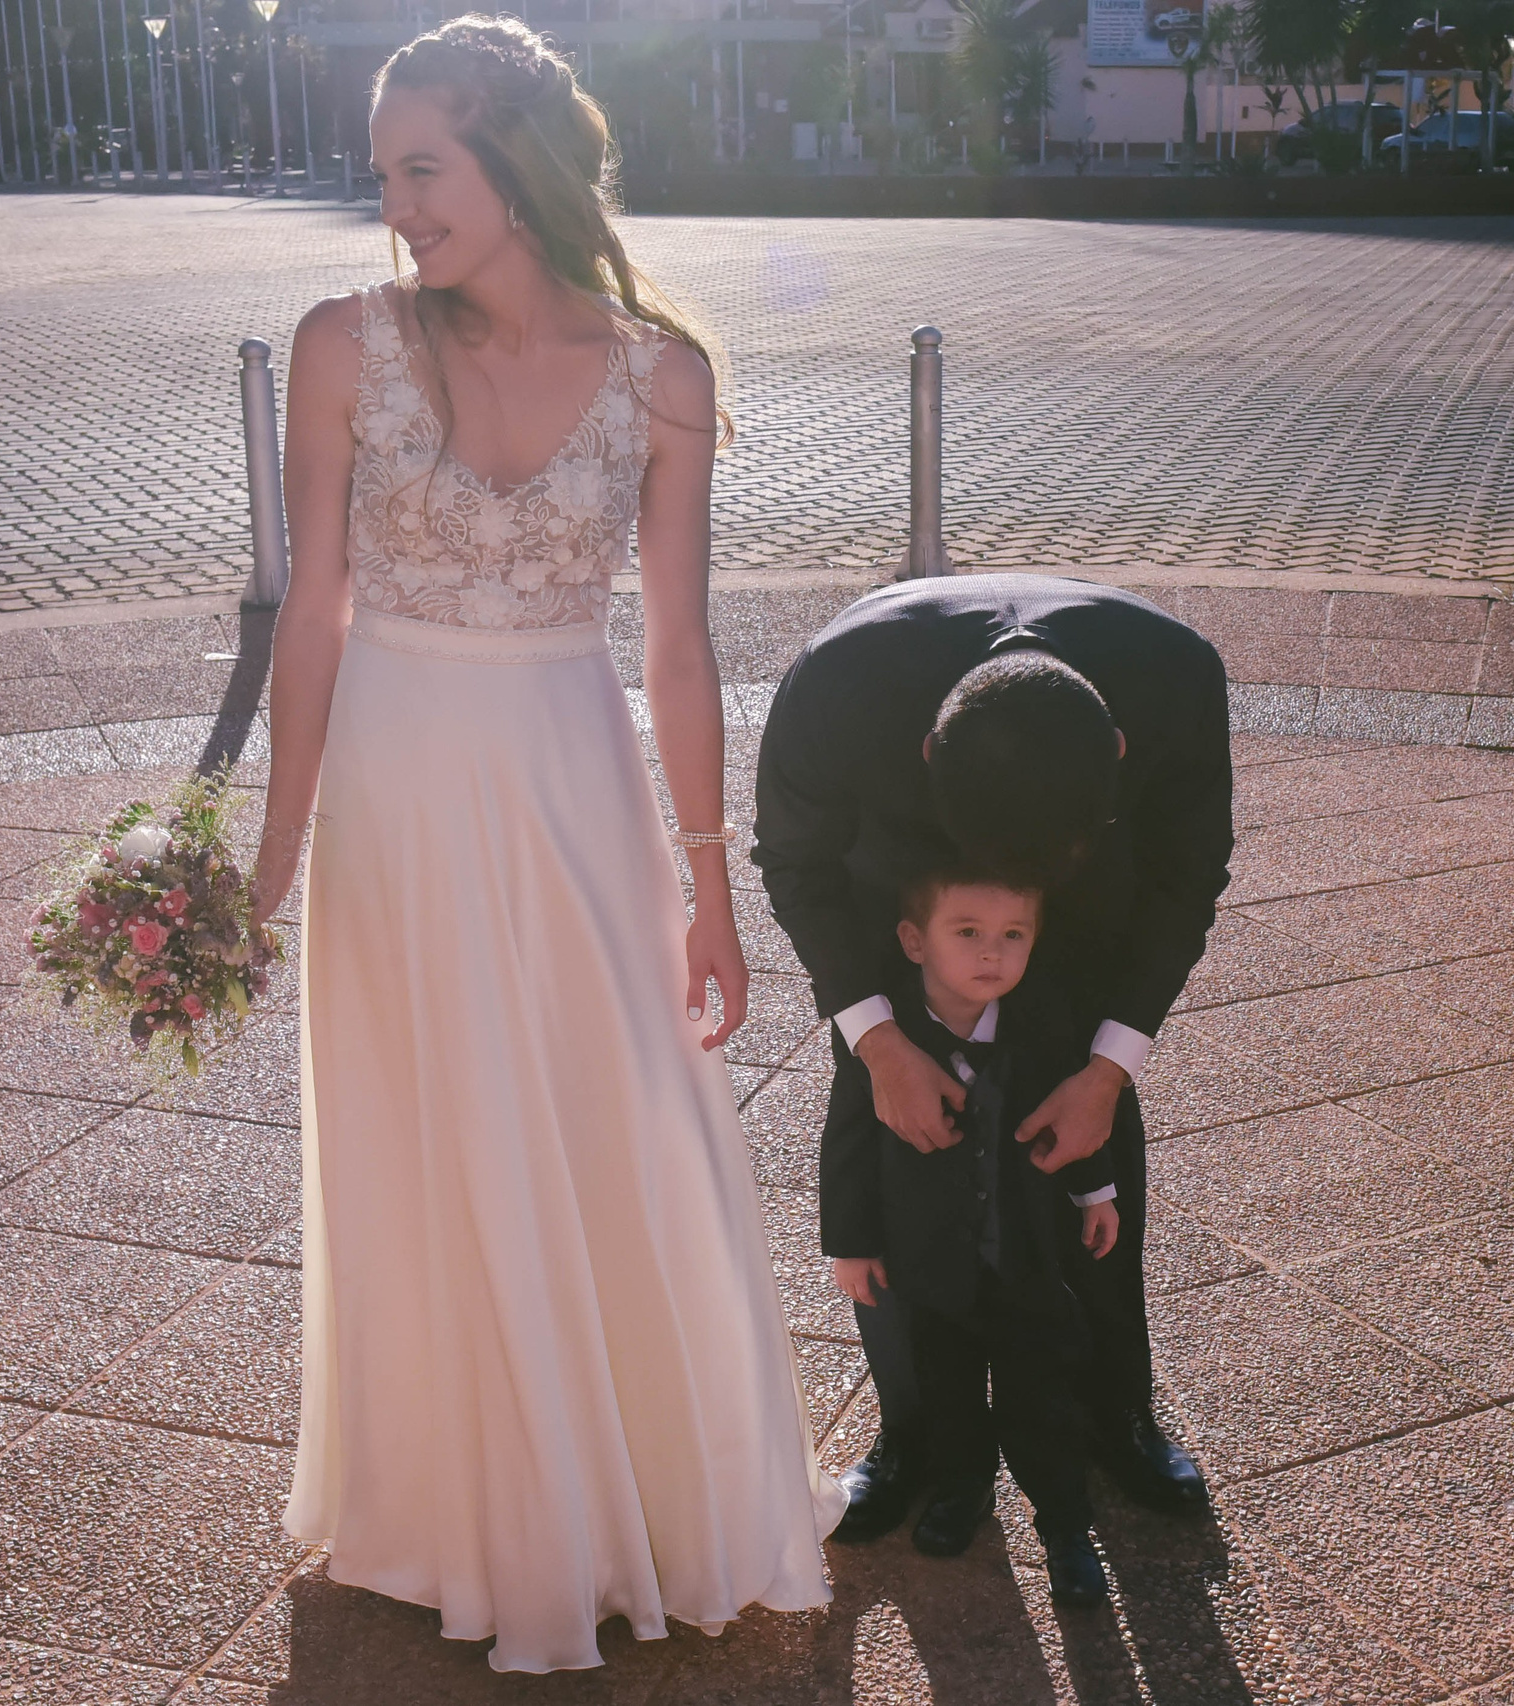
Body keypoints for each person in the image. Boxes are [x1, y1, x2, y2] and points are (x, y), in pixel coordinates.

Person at [246, 18, 840, 1675]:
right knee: (426, 1127)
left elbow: (677, 652)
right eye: (383, 175)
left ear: (514, 158)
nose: (395, 207)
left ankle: (630, 1491)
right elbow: (315, 609)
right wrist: (272, 861)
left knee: (609, 1106)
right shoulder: (339, 345)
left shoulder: (666, 376)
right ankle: (451, 1517)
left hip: (577, 779)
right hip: (399, 781)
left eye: (422, 168)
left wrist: (714, 887)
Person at [755, 574, 1235, 1540]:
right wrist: (880, 1041)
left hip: (1098, 901)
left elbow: (1189, 877)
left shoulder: (1177, 680)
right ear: (928, 753)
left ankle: (1115, 1412)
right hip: (901, 904)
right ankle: (916, 1433)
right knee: (891, 1142)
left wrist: (1106, 1069)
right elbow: (794, 862)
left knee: (1092, 1136)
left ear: (1118, 750)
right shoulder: (838, 685)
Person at [824, 868, 1121, 1605]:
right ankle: (962, 1493)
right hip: (931, 1265)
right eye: (969, 934)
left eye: (1012, 936)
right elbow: (849, 1145)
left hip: (1022, 1259)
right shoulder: (883, 1046)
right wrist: (852, 1244)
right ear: (913, 941)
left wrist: (1097, 1191)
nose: (993, 954)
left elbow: (1076, 1115)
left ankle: (1064, 1526)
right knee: (947, 1391)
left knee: (1041, 1396)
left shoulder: (1040, 1023)